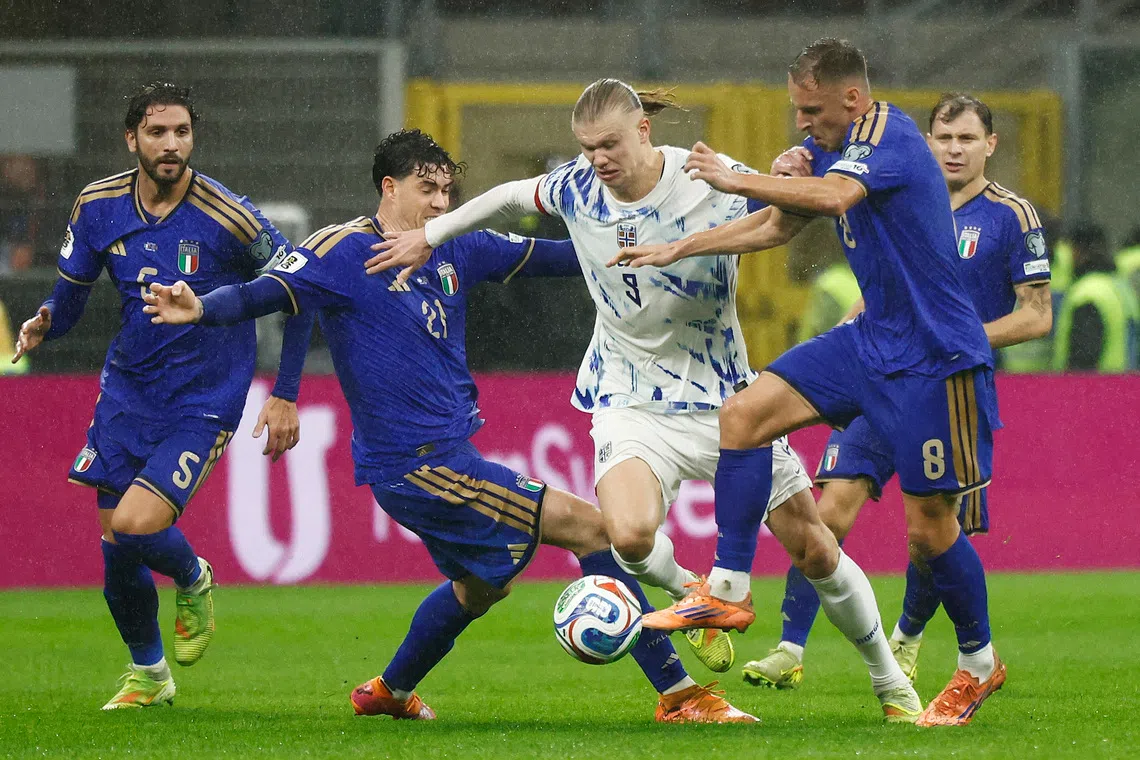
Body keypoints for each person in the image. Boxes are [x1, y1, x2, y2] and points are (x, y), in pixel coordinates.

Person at [142, 128, 757, 724]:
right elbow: (265, 293)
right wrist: (201, 307)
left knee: (480, 589)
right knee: (595, 531)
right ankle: (679, 695)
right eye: (426, 188)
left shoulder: (458, 244)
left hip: (438, 458)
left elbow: (565, 258)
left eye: (447, 192)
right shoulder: (342, 250)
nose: (440, 203)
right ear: (389, 187)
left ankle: (389, 690)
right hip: (418, 466)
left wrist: (658, 242)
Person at [361, 80, 921, 722]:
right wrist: (434, 233)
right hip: (629, 397)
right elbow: (507, 196)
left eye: (608, 144)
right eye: (587, 147)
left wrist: (790, 175)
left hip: (725, 398)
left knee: (816, 549)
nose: (597, 158)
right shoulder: (576, 187)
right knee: (626, 537)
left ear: (644, 132)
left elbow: (778, 223)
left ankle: (889, 682)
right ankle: (695, 592)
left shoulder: (705, 175)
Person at [610, 39, 1005, 727]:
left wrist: (735, 178)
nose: (802, 122)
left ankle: (978, 664)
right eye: (797, 110)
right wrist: (679, 247)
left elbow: (834, 195)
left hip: (935, 360)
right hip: (871, 339)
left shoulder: (888, 135)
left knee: (929, 530)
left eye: (811, 110)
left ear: (851, 100)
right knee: (743, 416)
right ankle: (728, 590)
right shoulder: (832, 148)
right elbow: (773, 226)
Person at [10, 82, 311, 710]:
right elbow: (70, 293)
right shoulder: (97, 206)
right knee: (116, 550)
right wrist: (44, 321)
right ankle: (149, 674)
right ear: (132, 139)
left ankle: (193, 575)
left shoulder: (230, 216)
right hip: (127, 392)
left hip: (205, 398)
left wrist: (283, 392)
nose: (171, 145)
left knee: (135, 525)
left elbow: (300, 287)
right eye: (157, 133)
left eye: (181, 132)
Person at [742, 92, 1052, 691]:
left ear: (990, 145)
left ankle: (907, 639)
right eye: (945, 137)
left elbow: (1037, 315)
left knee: (927, 531)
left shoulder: (1012, 216)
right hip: (879, 368)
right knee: (829, 509)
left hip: (944, 384)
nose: (954, 149)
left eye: (967, 139)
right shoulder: (898, 196)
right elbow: (885, 281)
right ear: (929, 142)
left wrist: (947, 338)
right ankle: (789, 646)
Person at [1052, 222, 1139, 372]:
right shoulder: (1120, 287)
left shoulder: (1088, 293)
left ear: (1078, 251)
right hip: (1123, 386)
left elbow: (1083, 359)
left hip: (1095, 389)